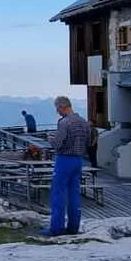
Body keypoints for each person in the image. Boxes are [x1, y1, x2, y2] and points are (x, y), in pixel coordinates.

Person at [44, 96, 90, 236]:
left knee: (58, 194)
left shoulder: (65, 123)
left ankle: (56, 229)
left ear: (63, 106)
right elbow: (89, 142)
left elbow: (58, 144)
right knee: (74, 194)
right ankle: (73, 227)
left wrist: (50, 138)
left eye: (57, 108)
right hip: (78, 160)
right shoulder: (84, 122)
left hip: (64, 160)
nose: (58, 112)